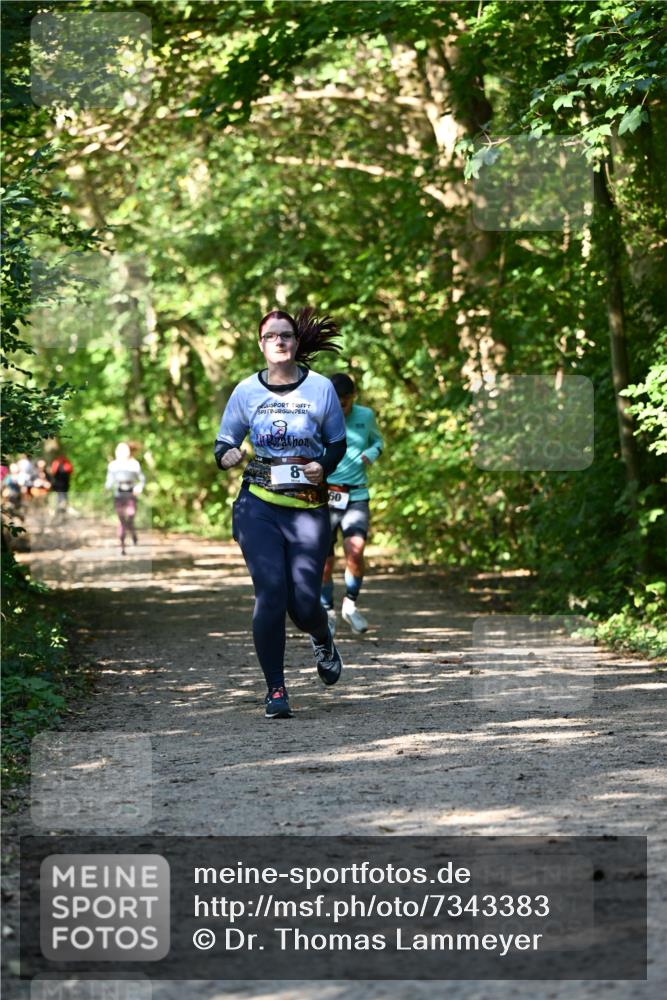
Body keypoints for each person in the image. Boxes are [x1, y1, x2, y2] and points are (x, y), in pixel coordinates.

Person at [214, 307, 347, 720]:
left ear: (295, 342)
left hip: (308, 509)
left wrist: (322, 465)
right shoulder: (245, 392)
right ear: (261, 344)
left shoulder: (321, 389)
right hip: (258, 506)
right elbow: (223, 444)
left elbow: (337, 444)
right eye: (271, 336)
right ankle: (275, 690)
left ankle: (322, 636)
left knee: (305, 604)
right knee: (271, 592)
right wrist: (228, 455)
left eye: (285, 335)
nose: (279, 341)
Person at [321, 373, 383, 634]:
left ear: (353, 398)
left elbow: (378, 441)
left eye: (346, 402)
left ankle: (350, 604)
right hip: (324, 495)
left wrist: (371, 452)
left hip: (356, 495)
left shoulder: (365, 416)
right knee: (324, 561)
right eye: (337, 402)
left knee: (355, 552)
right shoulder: (319, 416)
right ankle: (326, 611)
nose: (342, 407)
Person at [104, 442, 145, 555]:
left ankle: (133, 534)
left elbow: (142, 479)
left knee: (130, 516)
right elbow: (109, 480)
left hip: (131, 494)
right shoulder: (113, 465)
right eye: (120, 450)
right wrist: (106, 489)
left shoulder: (134, 464)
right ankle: (122, 545)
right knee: (121, 520)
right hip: (118, 494)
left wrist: (139, 487)